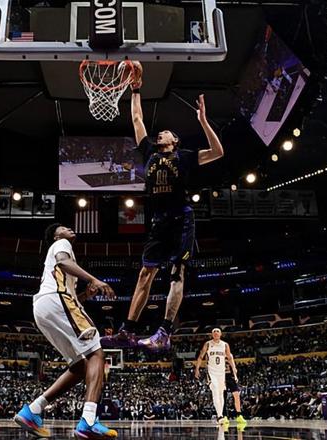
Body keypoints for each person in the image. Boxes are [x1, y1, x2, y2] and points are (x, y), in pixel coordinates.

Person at [102, 61, 225, 350]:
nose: (161, 134)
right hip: (158, 221)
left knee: (176, 272)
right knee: (145, 274)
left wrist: (203, 121)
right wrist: (135, 89)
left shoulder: (184, 156)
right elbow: (137, 119)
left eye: (166, 132)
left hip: (181, 219)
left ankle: (164, 333)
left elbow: (218, 151)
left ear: (175, 140)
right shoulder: (149, 152)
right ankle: (127, 331)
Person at [14, 223, 118, 438]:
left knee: (79, 366)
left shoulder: (59, 262)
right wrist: (94, 279)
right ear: (55, 236)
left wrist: (86, 295)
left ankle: (32, 410)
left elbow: (69, 298)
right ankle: (89, 420)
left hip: (43, 308)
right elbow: (63, 263)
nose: (69, 229)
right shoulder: (61, 244)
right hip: (56, 300)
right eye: (62, 228)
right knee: (96, 353)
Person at [194, 329, 236, 425]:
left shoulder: (225, 345)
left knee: (221, 393)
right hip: (211, 371)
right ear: (212, 334)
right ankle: (220, 416)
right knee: (215, 391)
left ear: (221, 334)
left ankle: (220, 415)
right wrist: (197, 369)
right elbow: (200, 357)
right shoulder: (208, 344)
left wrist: (234, 368)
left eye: (218, 331)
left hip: (221, 372)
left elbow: (230, 358)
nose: (216, 332)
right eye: (214, 331)